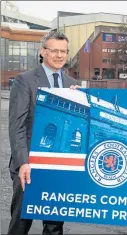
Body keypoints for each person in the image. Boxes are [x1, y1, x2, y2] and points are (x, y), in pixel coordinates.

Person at [8, 31, 79, 235]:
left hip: (58, 165)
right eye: (54, 50)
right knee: (21, 221)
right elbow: (17, 126)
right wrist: (23, 162)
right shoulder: (25, 80)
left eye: (63, 51)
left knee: (55, 225)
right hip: (28, 165)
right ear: (42, 52)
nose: (59, 55)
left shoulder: (71, 84)